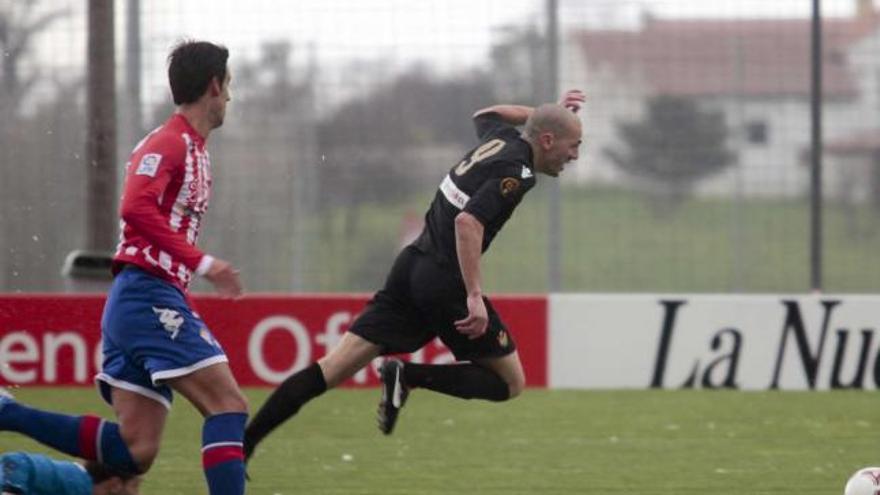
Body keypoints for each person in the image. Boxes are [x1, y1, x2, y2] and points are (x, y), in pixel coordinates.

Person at [244, 90, 585, 460]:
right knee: (510, 382)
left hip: (411, 266)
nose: (575, 156)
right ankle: (408, 376)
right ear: (548, 141)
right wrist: (473, 295)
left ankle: (242, 447)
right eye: (573, 145)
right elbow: (468, 222)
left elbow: (485, 113)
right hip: (445, 282)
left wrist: (545, 116)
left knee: (330, 370)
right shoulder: (516, 172)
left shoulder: (499, 137)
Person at [0, 41, 248, 495]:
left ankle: (6, 413)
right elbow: (134, 206)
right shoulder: (169, 142)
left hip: (138, 300)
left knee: (135, 451)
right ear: (214, 86)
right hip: (146, 294)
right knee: (227, 406)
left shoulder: (189, 147)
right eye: (228, 85)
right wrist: (204, 262)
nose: (230, 96)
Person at [0, 451, 141, 495]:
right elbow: (16, 461)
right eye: (134, 486)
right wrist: (11, 490)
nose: (136, 493)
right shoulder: (75, 481)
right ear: (115, 484)